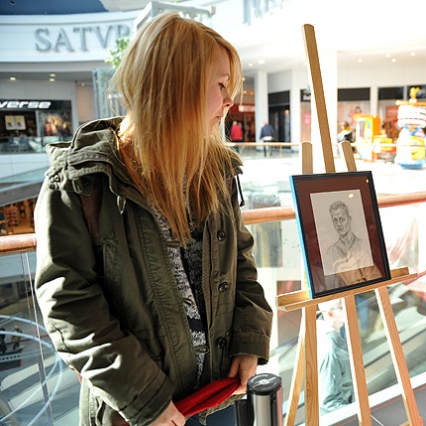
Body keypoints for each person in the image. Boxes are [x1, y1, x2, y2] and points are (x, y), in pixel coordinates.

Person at [34, 13, 273, 426]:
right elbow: (70, 305)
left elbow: (241, 263)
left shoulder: (215, 169)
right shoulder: (81, 181)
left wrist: (249, 340)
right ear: (177, 84)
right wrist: (146, 400)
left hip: (217, 397)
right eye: (220, 85)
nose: (229, 102)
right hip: (139, 414)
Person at [316, 299, 354, 415]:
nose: (350, 308)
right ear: (330, 314)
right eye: (342, 307)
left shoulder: (330, 330)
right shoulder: (330, 350)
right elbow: (330, 402)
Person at [325, 200, 373, 276]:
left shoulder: (364, 245)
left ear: (349, 219)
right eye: (335, 220)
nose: (338, 224)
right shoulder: (331, 252)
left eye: (342, 219)